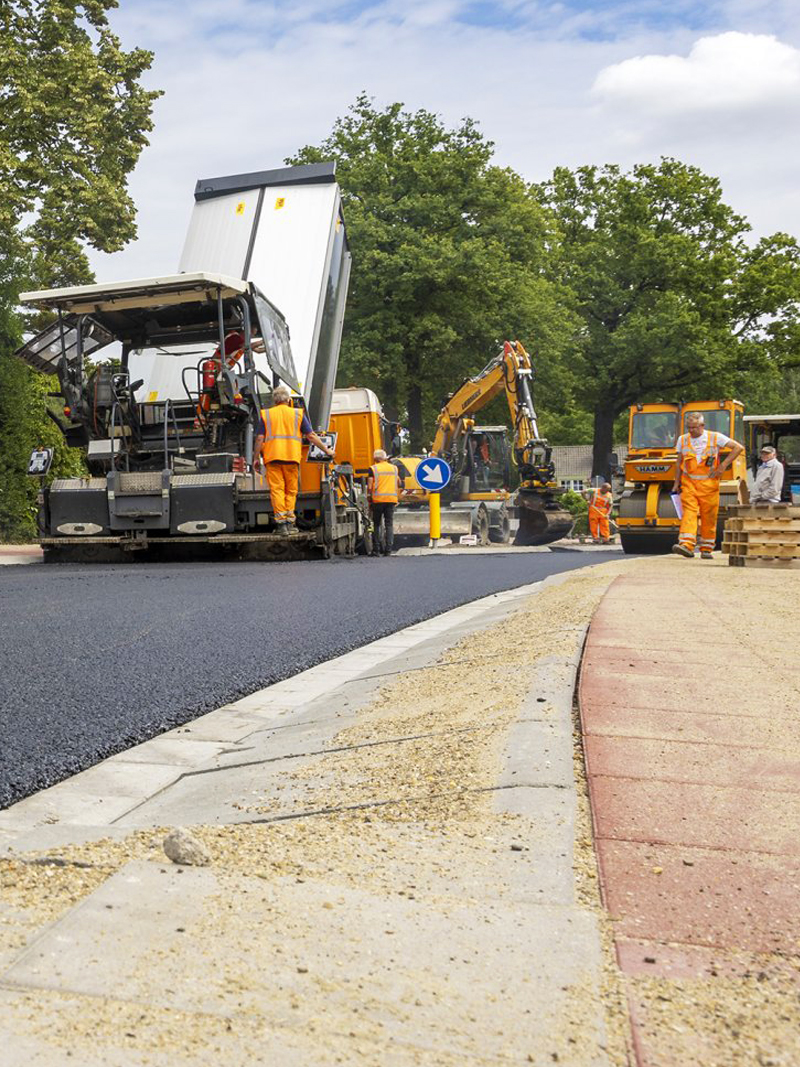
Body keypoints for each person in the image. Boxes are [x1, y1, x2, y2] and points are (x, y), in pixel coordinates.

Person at [253, 385, 334, 535]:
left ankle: (281, 525)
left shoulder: (267, 415)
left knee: (277, 490)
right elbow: (311, 436)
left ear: (274, 400)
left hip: (272, 458)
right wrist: (326, 450)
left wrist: (256, 457)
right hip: (291, 458)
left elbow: (259, 438)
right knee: (291, 491)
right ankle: (290, 523)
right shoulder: (298, 414)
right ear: (288, 399)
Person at [671, 411, 744, 559]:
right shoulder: (683, 440)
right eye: (689, 427)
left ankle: (706, 548)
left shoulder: (715, 437)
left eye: (694, 427)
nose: (691, 431)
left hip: (709, 485)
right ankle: (686, 544)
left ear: (702, 426)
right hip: (689, 483)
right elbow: (679, 462)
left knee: (709, 516)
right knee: (689, 513)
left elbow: (738, 448)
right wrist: (676, 483)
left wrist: (723, 465)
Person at [368, 449, 399, 556]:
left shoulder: (373, 469)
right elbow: (399, 482)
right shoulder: (394, 468)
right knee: (389, 524)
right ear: (385, 458)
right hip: (391, 500)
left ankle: (376, 549)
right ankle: (388, 550)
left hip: (377, 500)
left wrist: (369, 498)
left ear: (375, 459)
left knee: (376, 524)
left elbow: (370, 486)